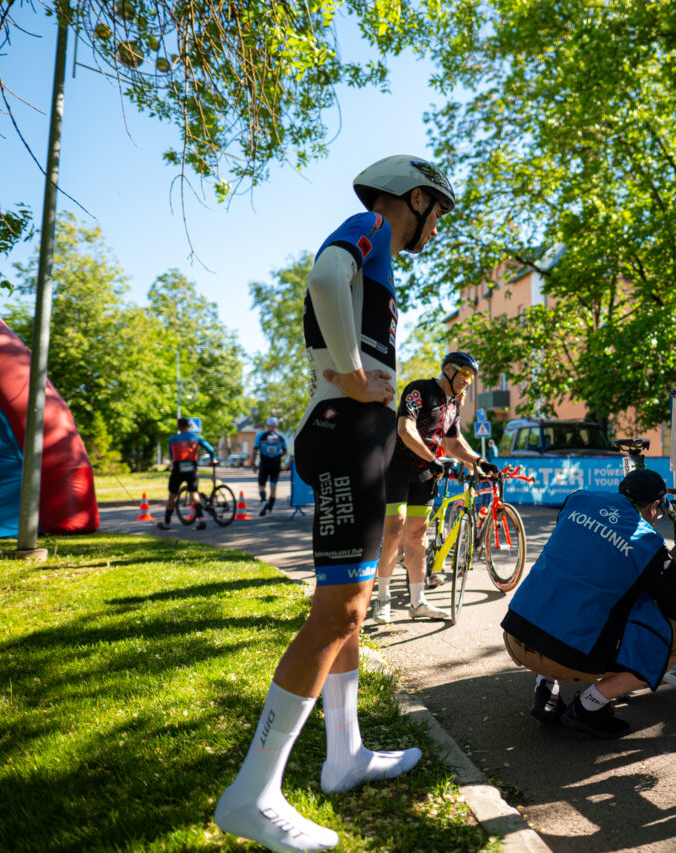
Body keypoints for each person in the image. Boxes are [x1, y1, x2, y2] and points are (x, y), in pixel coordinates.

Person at [214, 155, 456, 853]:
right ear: (416, 198)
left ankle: (343, 754)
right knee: (340, 611)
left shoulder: (377, 245)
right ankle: (252, 793)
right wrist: (353, 374)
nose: (435, 226)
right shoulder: (371, 226)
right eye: (436, 212)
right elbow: (324, 274)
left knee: (347, 605)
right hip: (347, 433)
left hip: (359, 437)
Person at [501, 469, 676, 739]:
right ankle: (588, 707)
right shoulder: (649, 543)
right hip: (564, 657)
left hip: (515, 634)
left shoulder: (579, 500)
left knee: (564, 591)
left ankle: (545, 687)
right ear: (654, 507)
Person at [372, 352, 498, 623]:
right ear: (449, 370)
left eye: (472, 377)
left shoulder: (453, 404)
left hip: (427, 474)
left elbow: (453, 443)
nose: (468, 381)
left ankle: (418, 602)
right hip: (398, 469)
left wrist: (480, 461)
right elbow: (405, 429)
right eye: (464, 374)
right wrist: (433, 458)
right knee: (395, 533)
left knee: (417, 537)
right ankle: (382, 598)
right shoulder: (420, 389)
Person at [158, 417, 215, 531]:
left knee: (172, 496)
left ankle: (167, 523)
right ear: (189, 427)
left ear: (178, 427)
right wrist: (212, 459)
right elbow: (211, 449)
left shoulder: (172, 440)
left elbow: (171, 455)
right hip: (191, 469)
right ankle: (201, 519)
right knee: (194, 494)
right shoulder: (196, 438)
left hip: (178, 469)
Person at [249, 416, 288, 516]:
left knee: (261, 486)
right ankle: (270, 510)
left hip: (264, 464)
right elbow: (284, 451)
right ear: (277, 426)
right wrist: (278, 455)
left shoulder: (261, 436)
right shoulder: (280, 437)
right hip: (276, 464)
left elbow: (254, 450)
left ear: (267, 426)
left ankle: (263, 502)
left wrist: (252, 463)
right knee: (273, 487)